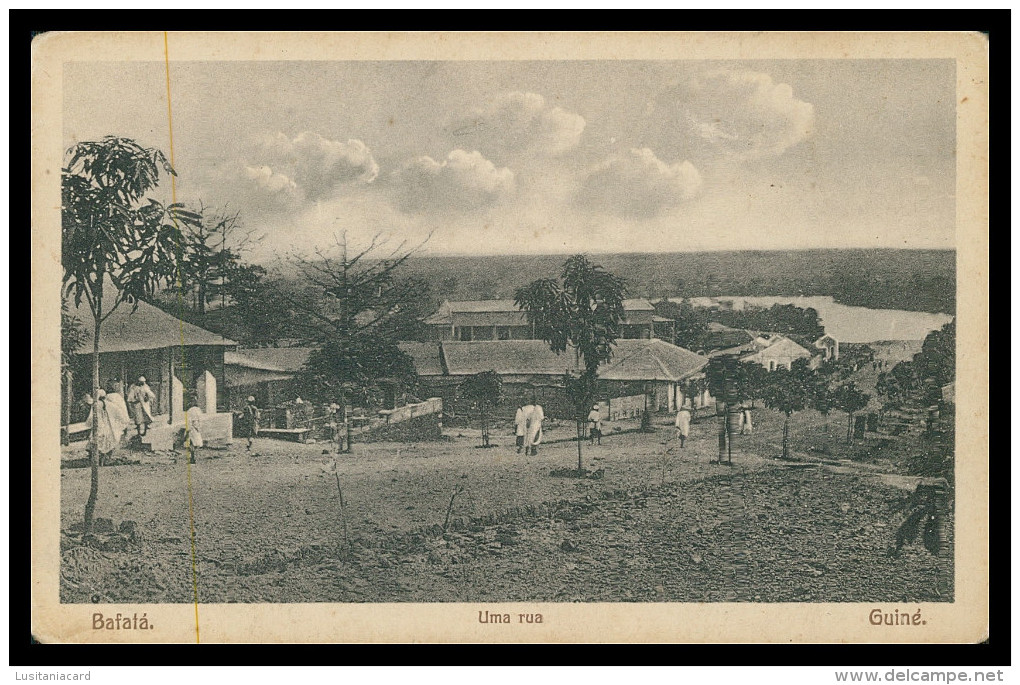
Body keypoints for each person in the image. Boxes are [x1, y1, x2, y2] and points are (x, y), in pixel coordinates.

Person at [87, 391, 119, 464]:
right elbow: (119, 414)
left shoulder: (96, 405)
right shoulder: (110, 404)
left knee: (96, 441)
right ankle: (105, 459)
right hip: (108, 426)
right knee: (108, 441)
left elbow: (91, 417)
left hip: (99, 425)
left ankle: (96, 460)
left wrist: (89, 424)